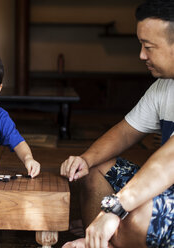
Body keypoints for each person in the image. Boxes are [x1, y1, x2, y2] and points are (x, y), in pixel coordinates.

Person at [60, 0, 174, 247]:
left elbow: (170, 161)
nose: (141, 55)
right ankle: (98, 241)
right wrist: (86, 159)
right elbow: (125, 132)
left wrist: (115, 209)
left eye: (148, 46)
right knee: (97, 170)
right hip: (165, 191)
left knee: (141, 216)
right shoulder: (164, 86)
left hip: (166, 188)